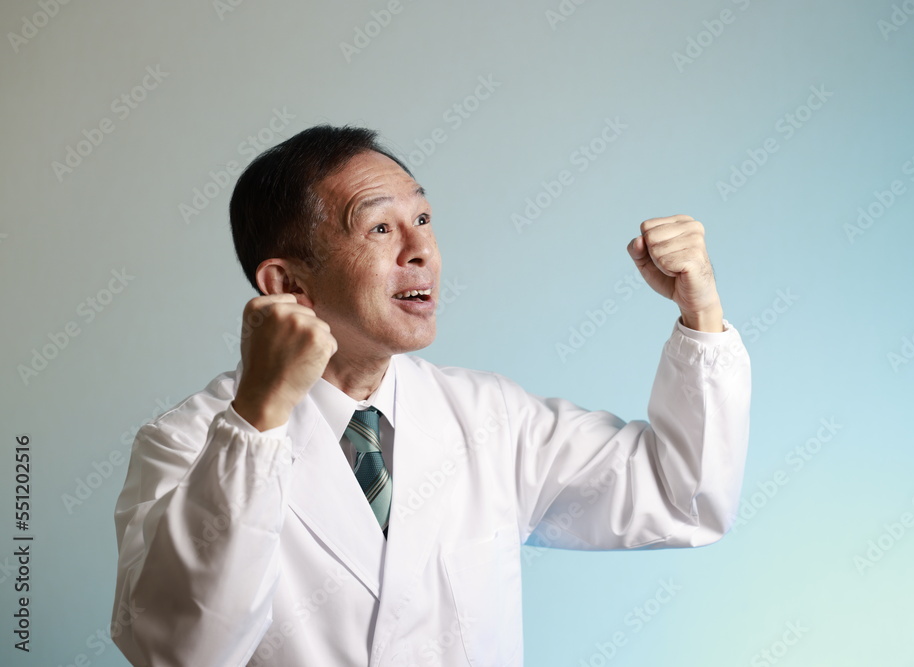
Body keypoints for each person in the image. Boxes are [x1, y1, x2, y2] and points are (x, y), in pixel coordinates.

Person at [111, 125, 751, 666]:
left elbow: (681, 498)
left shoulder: (491, 417)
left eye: (420, 218)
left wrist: (701, 309)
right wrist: (255, 424)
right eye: (379, 230)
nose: (422, 251)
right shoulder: (187, 442)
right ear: (286, 282)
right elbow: (184, 649)